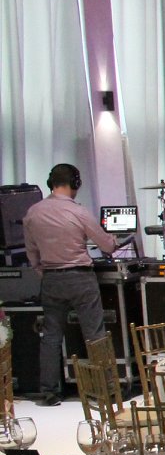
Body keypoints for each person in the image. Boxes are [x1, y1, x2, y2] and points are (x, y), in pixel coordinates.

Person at [23, 163, 120, 406]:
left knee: (51, 336)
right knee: (95, 335)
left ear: (51, 184)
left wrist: (44, 273)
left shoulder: (33, 213)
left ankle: (49, 392)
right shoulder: (79, 212)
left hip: (51, 279)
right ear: (75, 183)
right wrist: (114, 240)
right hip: (80, 278)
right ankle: (105, 391)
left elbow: (32, 253)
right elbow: (107, 246)